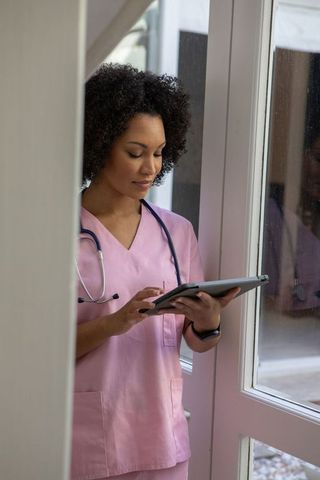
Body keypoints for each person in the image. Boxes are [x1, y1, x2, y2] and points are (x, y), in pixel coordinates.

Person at [71, 63, 239, 480]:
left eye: (159, 152)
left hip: (162, 438)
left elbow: (194, 342)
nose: (151, 167)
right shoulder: (53, 234)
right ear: (99, 145)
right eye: (135, 152)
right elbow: (34, 351)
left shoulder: (176, 231)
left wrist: (207, 321)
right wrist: (115, 323)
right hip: (86, 439)